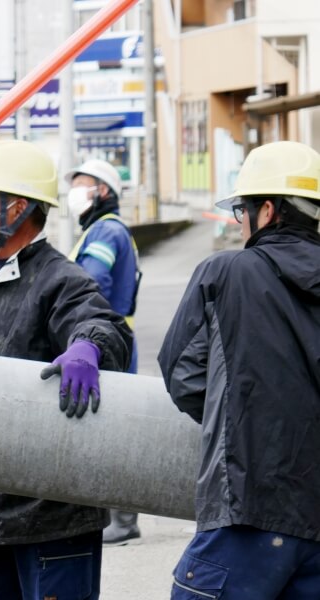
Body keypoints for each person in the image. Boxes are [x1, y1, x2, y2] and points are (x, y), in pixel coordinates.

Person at [0, 139, 132, 600]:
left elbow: (102, 324)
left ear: (16, 208)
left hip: (55, 515)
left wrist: (88, 348)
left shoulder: (59, 280)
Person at [158, 140, 320, 599]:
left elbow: (184, 376)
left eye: (242, 211)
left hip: (246, 511)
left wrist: (237, 416)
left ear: (266, 210)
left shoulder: (225, 273)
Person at [65, 159, 142, 546]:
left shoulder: (106, 232)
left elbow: (90, 282)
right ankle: (119, 515)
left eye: (82, 184)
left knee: (113, 432)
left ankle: (124, 519)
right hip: (110, 336)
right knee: (112, 428)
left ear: (104, 191)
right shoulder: (102, 229)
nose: (74, 193)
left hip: (106, 340)